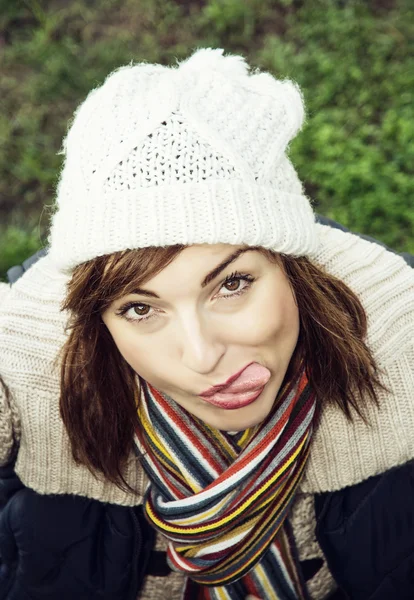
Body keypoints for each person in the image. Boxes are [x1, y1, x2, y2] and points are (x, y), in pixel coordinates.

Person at [0, 47, 413, 600]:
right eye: (140, 309)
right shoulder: (28, 379)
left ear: (293, 271)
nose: (201, 356)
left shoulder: (398, 345)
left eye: (232, 284)